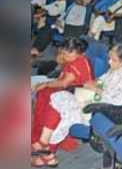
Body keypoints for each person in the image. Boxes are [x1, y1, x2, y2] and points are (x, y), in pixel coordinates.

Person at [31, 38, 94, 167]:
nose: (64, 56)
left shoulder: (79, 63)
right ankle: (42, 141)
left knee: (46, 95)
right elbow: (60, 66)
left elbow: (64, 83)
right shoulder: (73, 59)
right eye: (64, 53)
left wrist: (46, 84)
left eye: (67, 54)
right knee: (42, 93)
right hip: (67, 90)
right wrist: (62, 58)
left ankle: (43, 144)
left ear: (78, 53)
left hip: (74, 94)